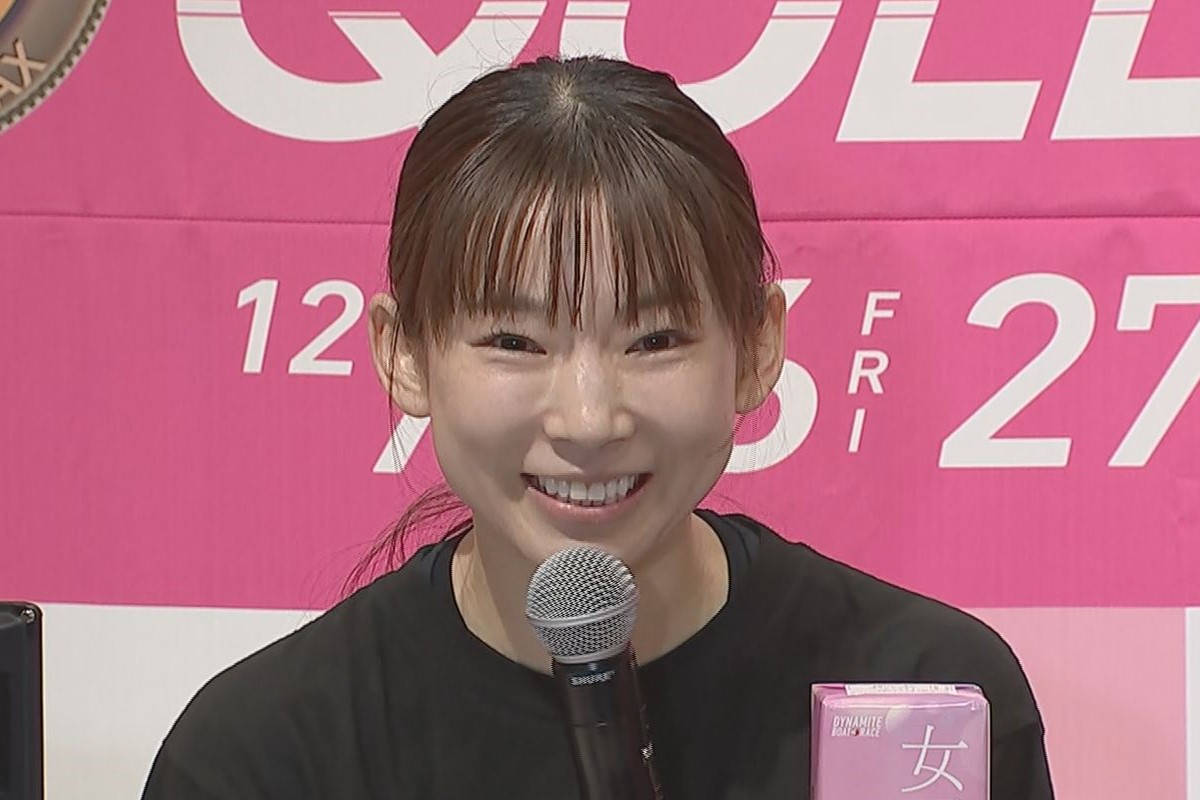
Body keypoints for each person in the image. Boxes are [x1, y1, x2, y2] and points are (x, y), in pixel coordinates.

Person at [141, 56, 1055, 799]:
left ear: (757, 347)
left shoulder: (926, 698)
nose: (588, 419)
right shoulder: (262, 758)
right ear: (403, 353)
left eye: (654, 340)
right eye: (515, 342)